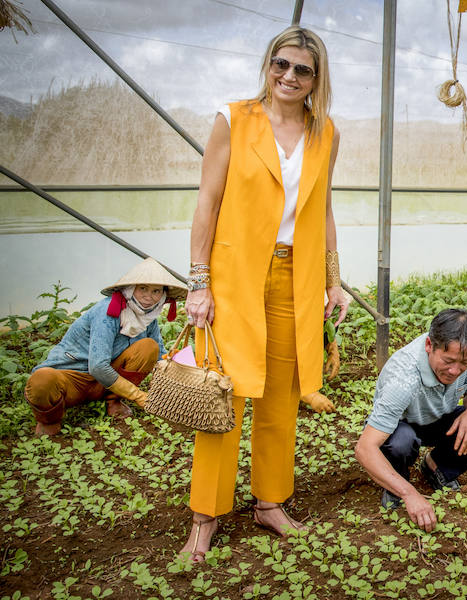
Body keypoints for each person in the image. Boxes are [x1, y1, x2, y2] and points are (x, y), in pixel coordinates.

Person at [180, 26, 348, 562]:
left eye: (302, 69)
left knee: (281, 396)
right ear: (268, 65)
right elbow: (207, 203)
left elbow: (320, 210)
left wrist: (332, 279)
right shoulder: (233, 119)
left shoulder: (327, 134)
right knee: (223, 397)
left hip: (294, 278)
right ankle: (204, 517)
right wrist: (199, 282)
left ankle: (270, 502)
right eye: (281, 64)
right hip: (233, 279)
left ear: (316, 79)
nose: (289, 76)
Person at [355, 309, 467, 532]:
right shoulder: (403, 379)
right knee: (401, 442)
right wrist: (411, 494)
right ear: (429, 345)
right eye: (448, 361)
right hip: (401, 425)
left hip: (437, 418)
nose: (455, 370)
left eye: (463, 363)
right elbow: (364, 448)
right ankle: (397, 483)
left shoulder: (463, 351)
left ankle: (436, 468)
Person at [24, 257, 186, 436]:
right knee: (42, 380)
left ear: (163, 295)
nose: (149, 296)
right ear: (130, 289)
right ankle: (50, 419)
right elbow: (98, 366)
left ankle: (113, 401)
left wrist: (183, 370)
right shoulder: (108, 311)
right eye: (143, 289)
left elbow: (160, 356)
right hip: (72, 378)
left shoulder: (148, 317)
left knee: (149, 347)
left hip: (104, 382)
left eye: (156, 291)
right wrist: (139, 396)